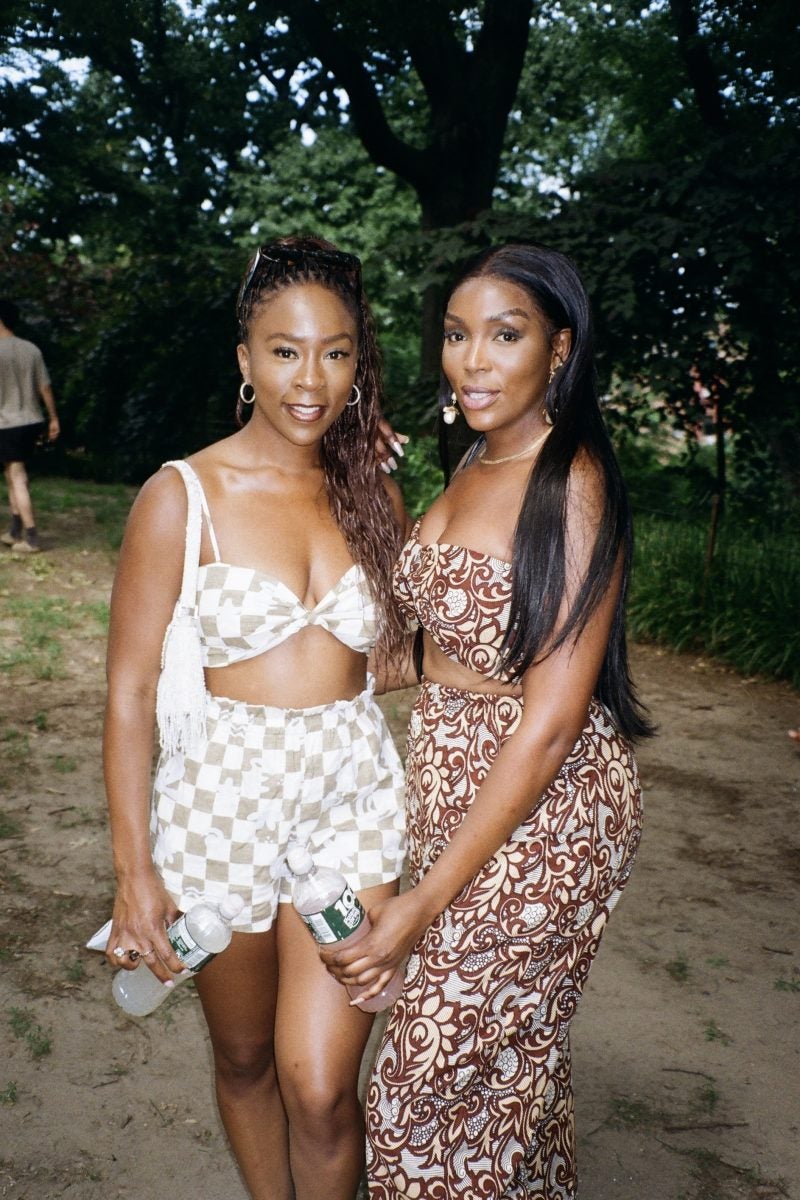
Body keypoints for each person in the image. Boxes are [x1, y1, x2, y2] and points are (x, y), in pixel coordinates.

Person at [323, 243, 654, 1199]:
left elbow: (549, 722)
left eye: (505, 336)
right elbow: (431, 649)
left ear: (559, 349)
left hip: (545, 815)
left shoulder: (571, 480)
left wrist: (418, 907)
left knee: (415, 1101)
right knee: (501, 1075)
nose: (472, 361)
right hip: (455, 798)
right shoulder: (473, 457)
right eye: (457, 335)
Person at [102, 236, 409, 1200]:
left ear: (358, 364)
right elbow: (129, 693)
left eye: (335, 353)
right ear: (245, 359)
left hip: (349, 798)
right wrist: (135, 874)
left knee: (319, 1086)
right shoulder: (180, 497)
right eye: (285, 351)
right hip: (220, 805)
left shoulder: (373, 492)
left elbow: (395, 658)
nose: (310, 380)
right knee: (244, 1060)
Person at [0, 299, 60, 553]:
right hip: (32, 420)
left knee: (17, 476)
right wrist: (53, 417)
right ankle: (15, 530)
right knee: (11, 473)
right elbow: (44, 387)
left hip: (7, 423)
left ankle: (32, 537)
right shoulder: (31, 349)